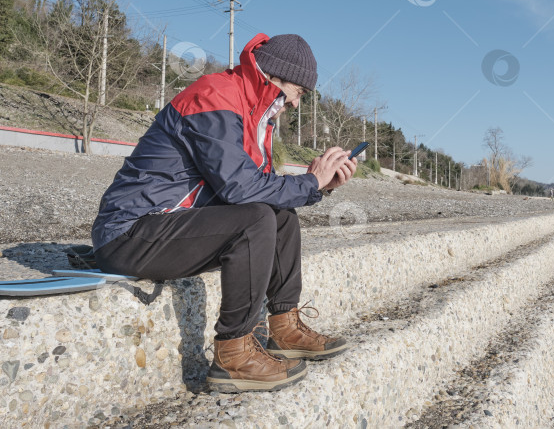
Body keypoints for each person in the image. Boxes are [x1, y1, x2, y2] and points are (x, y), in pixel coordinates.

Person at [91, 33, 357, 393]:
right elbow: (240, 189)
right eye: (299, 92)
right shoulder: (214, 96)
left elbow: (257, 188)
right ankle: (233, 354)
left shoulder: (253, 111)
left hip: (167, 227)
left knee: (279, 216)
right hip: (128, 234)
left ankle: (284, 328)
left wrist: (319, 186)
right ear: (274, 78)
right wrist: (309, 182)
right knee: (256, 219)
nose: (296, 104)